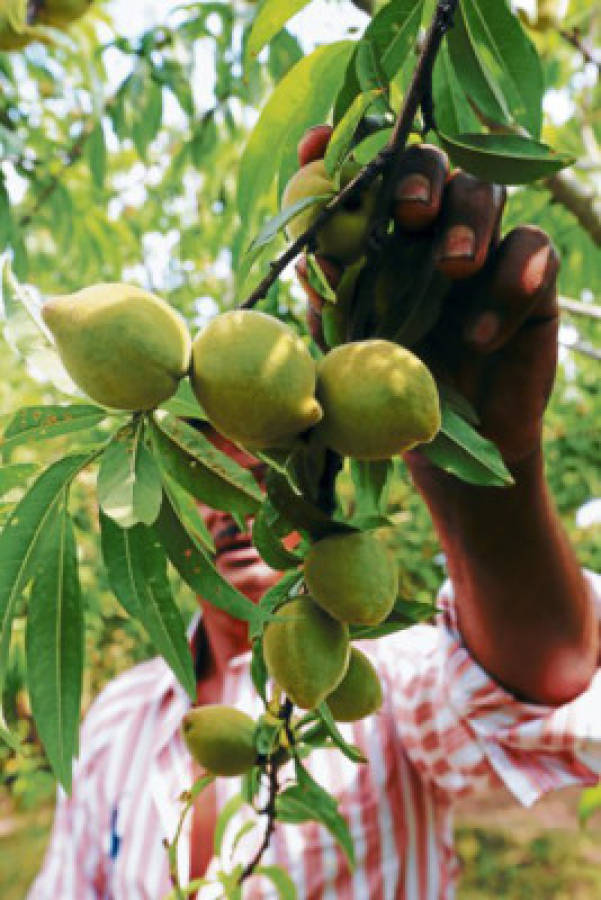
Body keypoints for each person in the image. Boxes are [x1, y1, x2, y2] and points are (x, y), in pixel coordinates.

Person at [28, 129, 601, 899]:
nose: (236, 498)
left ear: (313, 474)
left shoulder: (384, 686)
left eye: (262, 458)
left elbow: (539, 688)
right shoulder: (115, 718)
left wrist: (488, 492)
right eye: (204, 467)